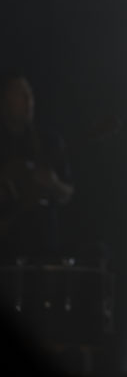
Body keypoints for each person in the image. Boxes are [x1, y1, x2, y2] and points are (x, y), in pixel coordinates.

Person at [0, 73, 74, 262]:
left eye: (30, 94)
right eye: (20, 93)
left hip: (43, 248)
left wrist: (54, 183)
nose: (28, 100)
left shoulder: (49, 141)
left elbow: (67, 192)